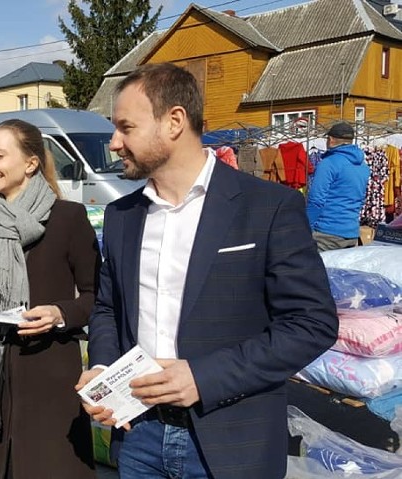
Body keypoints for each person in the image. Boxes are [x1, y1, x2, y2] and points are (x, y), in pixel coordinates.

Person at [78, 63, 338, 479]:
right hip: (139, 436)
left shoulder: (267, 207)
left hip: (231, 440)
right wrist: (103, 369)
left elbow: (312, 324)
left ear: (174, 121)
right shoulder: (121, 215)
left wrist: (203, 376)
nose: (114, 143)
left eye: (126, 127)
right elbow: (109, 307)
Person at [0, 118, 99, 478]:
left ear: (30, 163)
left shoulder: (68, 218)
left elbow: (98, 296)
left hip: (50, 369)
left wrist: (59, 313)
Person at [306, 122, 369, 252]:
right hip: (351, 232)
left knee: (313, 269)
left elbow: (316, 200)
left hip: (326, 232)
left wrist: (306, 226)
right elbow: (361, 199)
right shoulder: (363, 166)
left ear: (331, 140)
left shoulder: (328, 163)